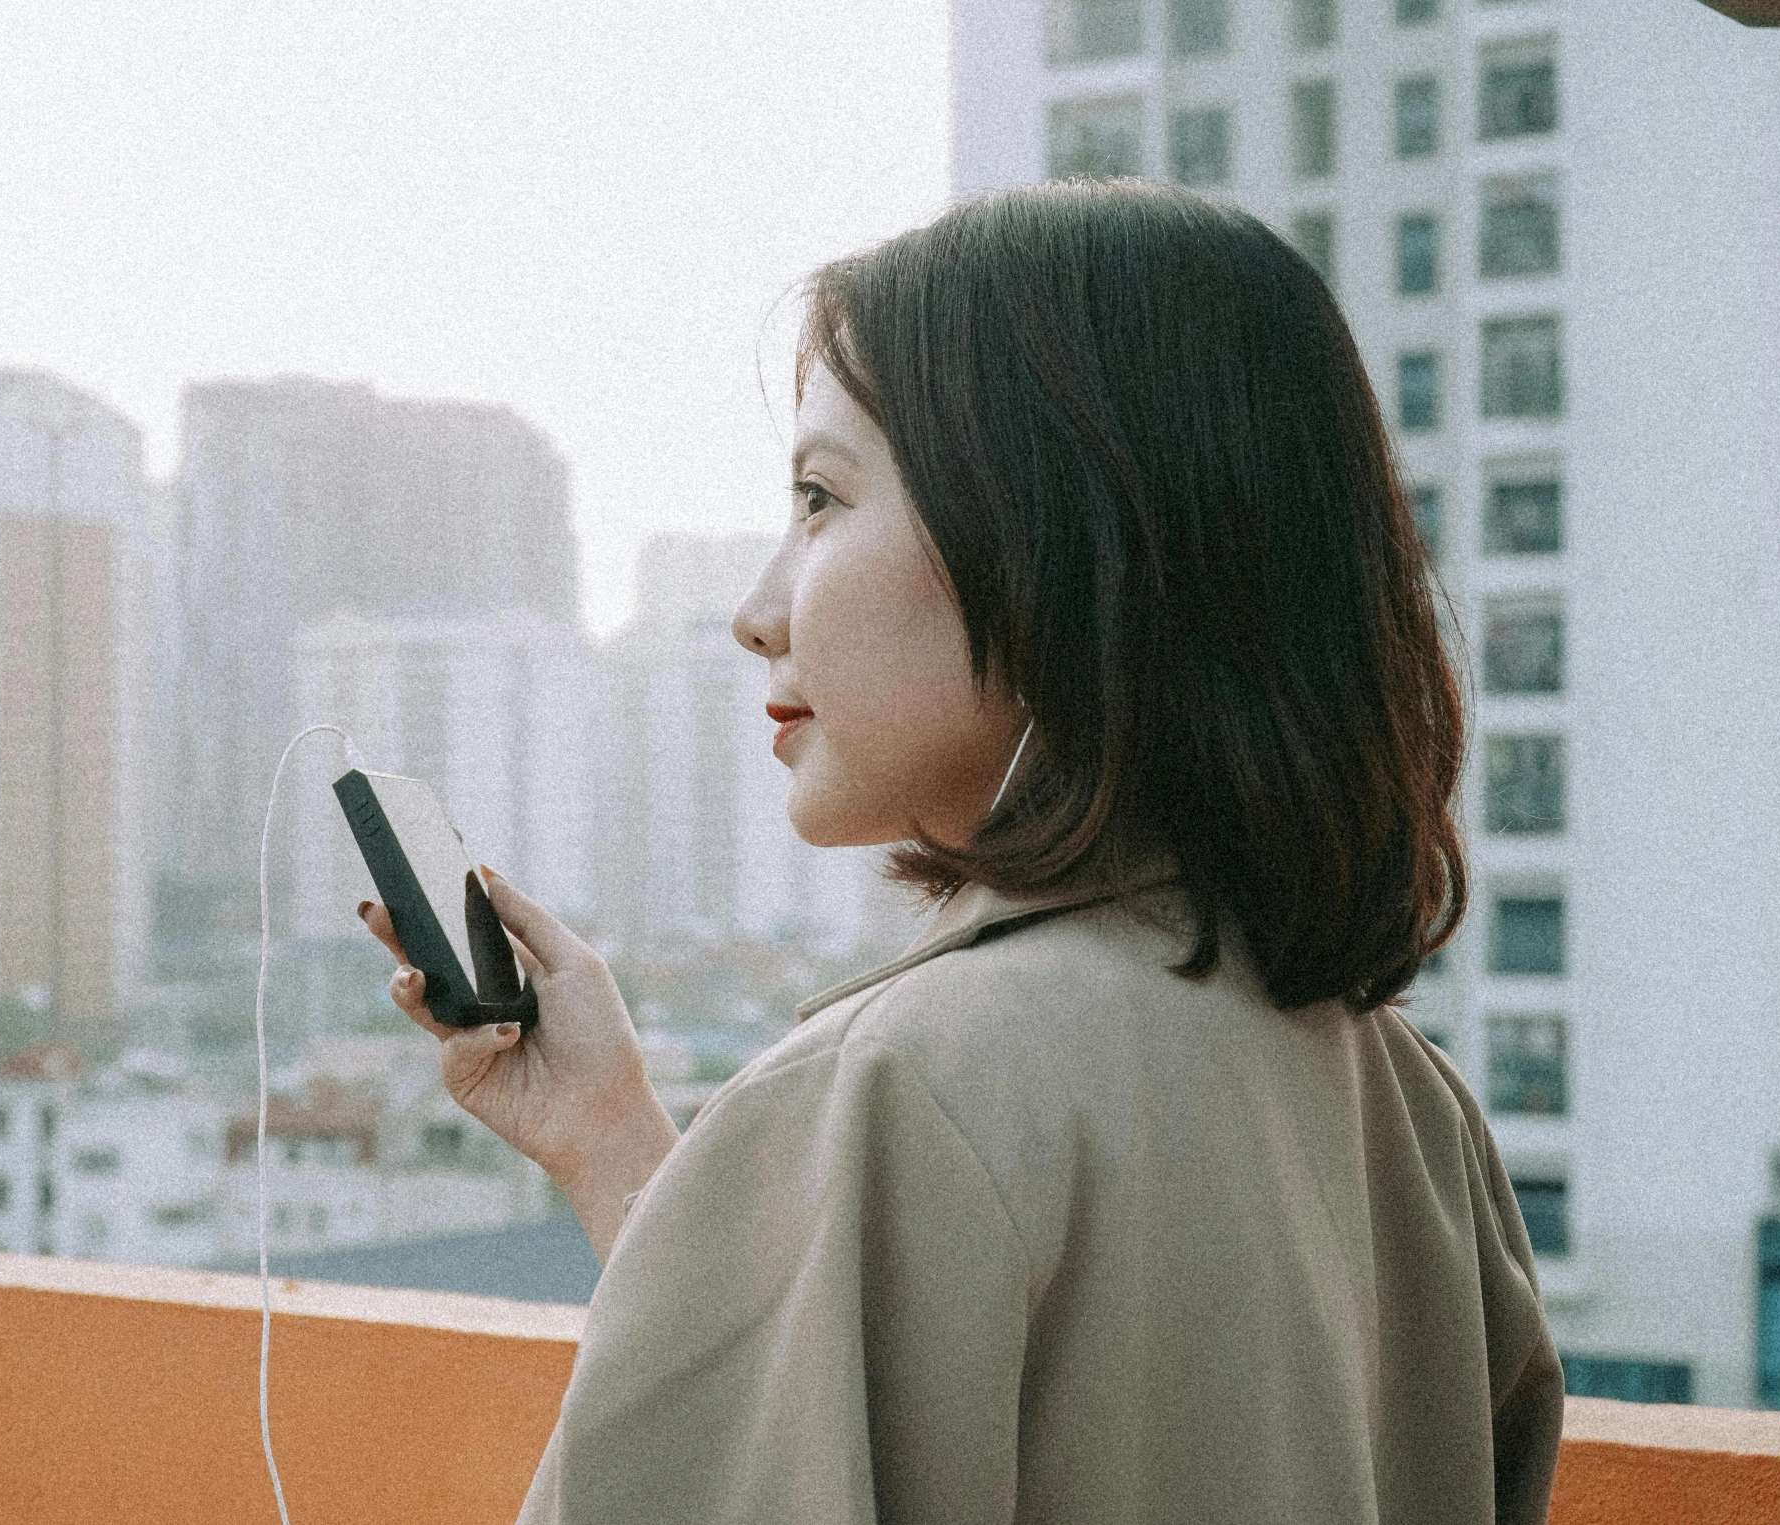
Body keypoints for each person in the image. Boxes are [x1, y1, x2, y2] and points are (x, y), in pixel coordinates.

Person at [358, 178, 1564, 1524]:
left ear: (1057, 545)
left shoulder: (896, 1085)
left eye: (819, 497)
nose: (758, 613)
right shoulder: (1404, 1104)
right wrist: (607, 1136)